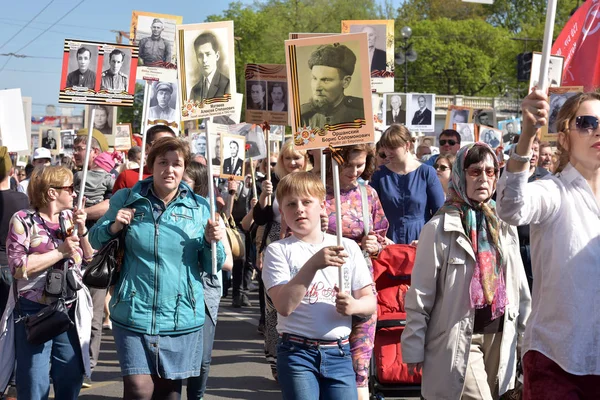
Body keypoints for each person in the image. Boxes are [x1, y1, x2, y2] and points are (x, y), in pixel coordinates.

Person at [89, 137, 226, 399]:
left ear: (185, 168)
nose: (170, 169)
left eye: (177, 164)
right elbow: (95, 238)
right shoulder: (128, 198)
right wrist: (114, 225)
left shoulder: (200, 208)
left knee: (169, 393)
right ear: (151, 165)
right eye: (163, 162)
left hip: (180, 315)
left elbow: (212, 265)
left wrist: (214, 242)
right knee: (139, 389)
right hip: (133, 310)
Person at [401, 143, 531, 400]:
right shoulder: (438, 227)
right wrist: (413, 345)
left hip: (501, 335)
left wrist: (527, 342)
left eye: (491, 172)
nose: (484, 178)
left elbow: (519, 286)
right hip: (459, 337)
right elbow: (420, 294)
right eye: (475, 171)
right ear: (461, 174)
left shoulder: (504, 222)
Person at [497, 90, 600, 399]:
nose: (598, 130)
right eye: (586, 122)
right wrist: (527, 135)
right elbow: (511, 206)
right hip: (556, 363)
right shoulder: (553, 192)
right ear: (564, 137)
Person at [262, 171, 377, 400]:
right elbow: (284, 306)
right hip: (297, 353)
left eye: (307, 202)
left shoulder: (347, 247)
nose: (300, 209)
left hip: (340, 352)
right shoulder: (278, 251)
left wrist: (353, 306)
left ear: (323, 206)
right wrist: (313, 263)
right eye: (291, 204)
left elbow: (370, 301)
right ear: (283, 212)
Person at [6, 165, 94, 400]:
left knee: (70, 374)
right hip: (34, 310)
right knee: (34, 381)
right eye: (70, 188)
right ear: (52, 192)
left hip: (68, 306)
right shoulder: (24, 220)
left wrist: (83, 230)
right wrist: (59, 252)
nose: (74, 193)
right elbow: (18, 267)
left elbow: (88, 258)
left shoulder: (68, 218)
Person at [323, 144, 389, 400]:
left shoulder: (368, 193)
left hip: (361, 286)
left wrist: (375, 244)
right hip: (324, 286)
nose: (354, 171)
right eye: (348, 164)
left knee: (360, 362)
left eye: (360, 165)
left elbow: (382, 234)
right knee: (329, 359)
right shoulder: (317, 191)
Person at [253, 140, 310, 380]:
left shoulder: (313, 183)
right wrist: (265, 197)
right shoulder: (272, 182)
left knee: (305, 301)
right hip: (276, 244)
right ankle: (276, 360)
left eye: (298, 157)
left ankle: (302, 358)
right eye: (288, 158)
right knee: (274, 306)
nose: (293, 162)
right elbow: (261, 218)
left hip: (306, 243)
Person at [182, 161, 234, 400]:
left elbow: (227, 264)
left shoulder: (211, 217)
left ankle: (196, 396)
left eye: (186, 183)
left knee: (201, 358)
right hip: (175, 290)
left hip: (203, 292)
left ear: (199, 185)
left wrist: (210, 243)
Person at [371, 124, 445, 244]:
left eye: (393, 147)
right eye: (385, 147)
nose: (388, 152)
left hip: (421, 239)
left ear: (407, 145)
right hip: (388, 241)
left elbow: (440, 212)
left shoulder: (426, 172)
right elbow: (371, 212)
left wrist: (427, 238)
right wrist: (381, 237)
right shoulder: (379, 175)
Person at [300, 44, 364, 127]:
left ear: (346, 82)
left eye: (326, 80)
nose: (317, 88)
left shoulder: (362, 112)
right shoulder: (303, 116)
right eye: (314, 78)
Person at [113, 125, 176, 192]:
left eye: (171, 146)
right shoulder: (127, 177)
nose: (166, 150)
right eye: (160, 144)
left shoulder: (177, 178)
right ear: (146, 148)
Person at [190, 31, 230, 102]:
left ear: (217, 56)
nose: (204, 60)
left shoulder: (227, 84)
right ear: (196, 58)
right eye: (200, 55)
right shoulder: (194, 90)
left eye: (208, 54)